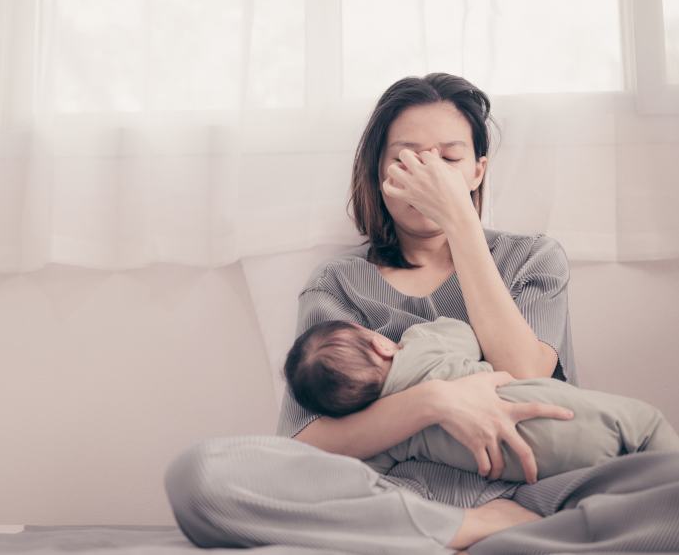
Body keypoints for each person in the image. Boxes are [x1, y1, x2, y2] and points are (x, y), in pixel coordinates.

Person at [165, 73, 679, 554]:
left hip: (538, 490)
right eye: (408, 159)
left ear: (478, 171)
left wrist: (460, 221)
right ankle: (469, 531)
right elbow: (307, 446)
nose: (429, 174)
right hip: (390, 499)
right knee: (200, 476)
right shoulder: (337, 283)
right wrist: (435, 401)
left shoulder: (531, 258)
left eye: (449, 160)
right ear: (379, 173)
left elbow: (525, 371)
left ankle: (509, 533)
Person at [284, 316, 679, 481]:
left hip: (543, 472)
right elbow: (466, 334)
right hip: (569, 416)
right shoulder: (421, 345)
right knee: (646, 425)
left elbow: (358, 463)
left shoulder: (387, 439)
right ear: (381, 344)